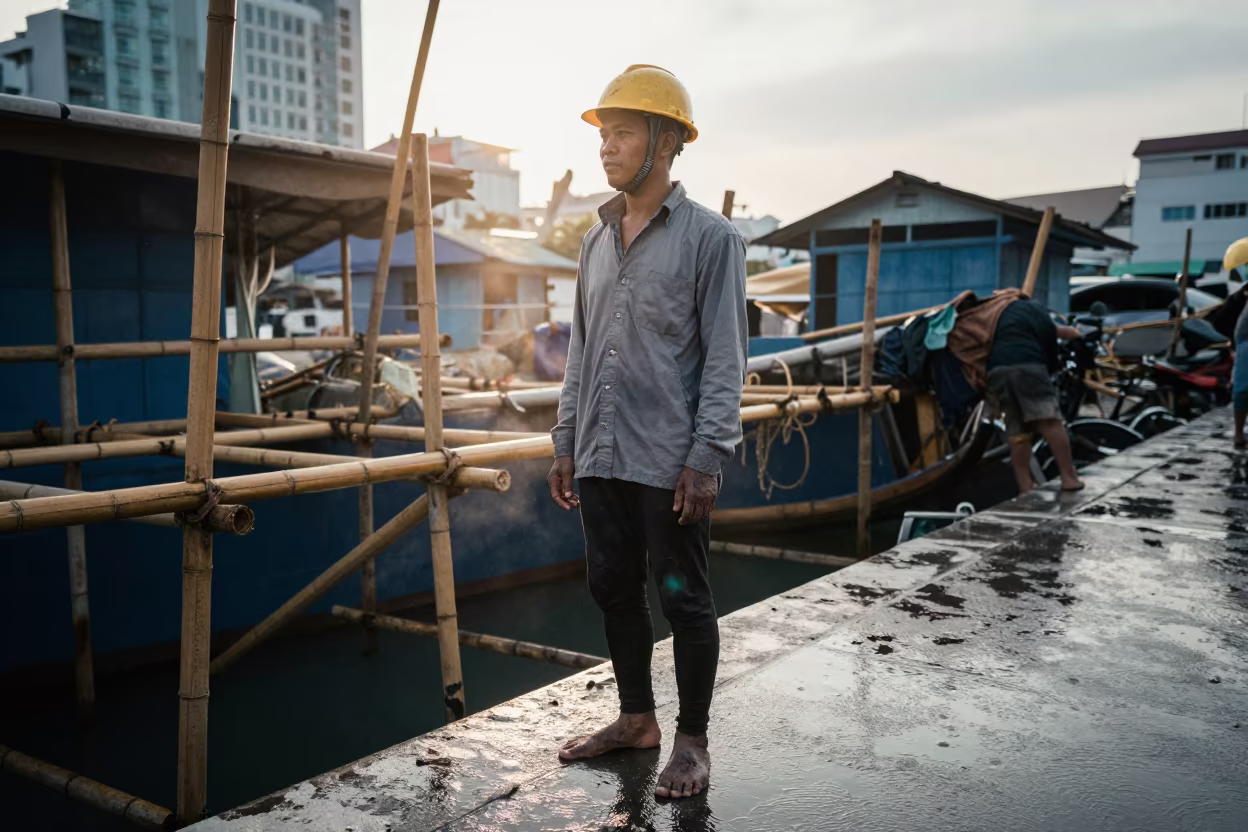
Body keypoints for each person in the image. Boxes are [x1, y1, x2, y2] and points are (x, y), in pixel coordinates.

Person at [546, 64, 747, 800]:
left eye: (623, 132)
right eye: (605, 133)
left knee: (685, 599)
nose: (608, 147)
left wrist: (705, 458)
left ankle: (691, 743)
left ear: (666, 140)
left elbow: (727, 359)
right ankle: (637, 719)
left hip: (669, 461)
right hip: (600, 453)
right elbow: (580, 350)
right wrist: (564, 439)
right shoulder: (595, 242)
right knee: (611, 589)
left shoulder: (712, 239)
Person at [985, 297, 1085, 494]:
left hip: (997, 370)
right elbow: (1051, 344)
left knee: (1017, 432)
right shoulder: (1037, 312)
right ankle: (1069, 478)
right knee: (1050, 422)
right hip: (1028, 367)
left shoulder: (998, 314)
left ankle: (1025, 487)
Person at [1224, 237, 1248, 449]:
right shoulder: (1244, 293)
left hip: (1242, 341)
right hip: (1244, 341)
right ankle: (1239, 434)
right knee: (1241, 390)